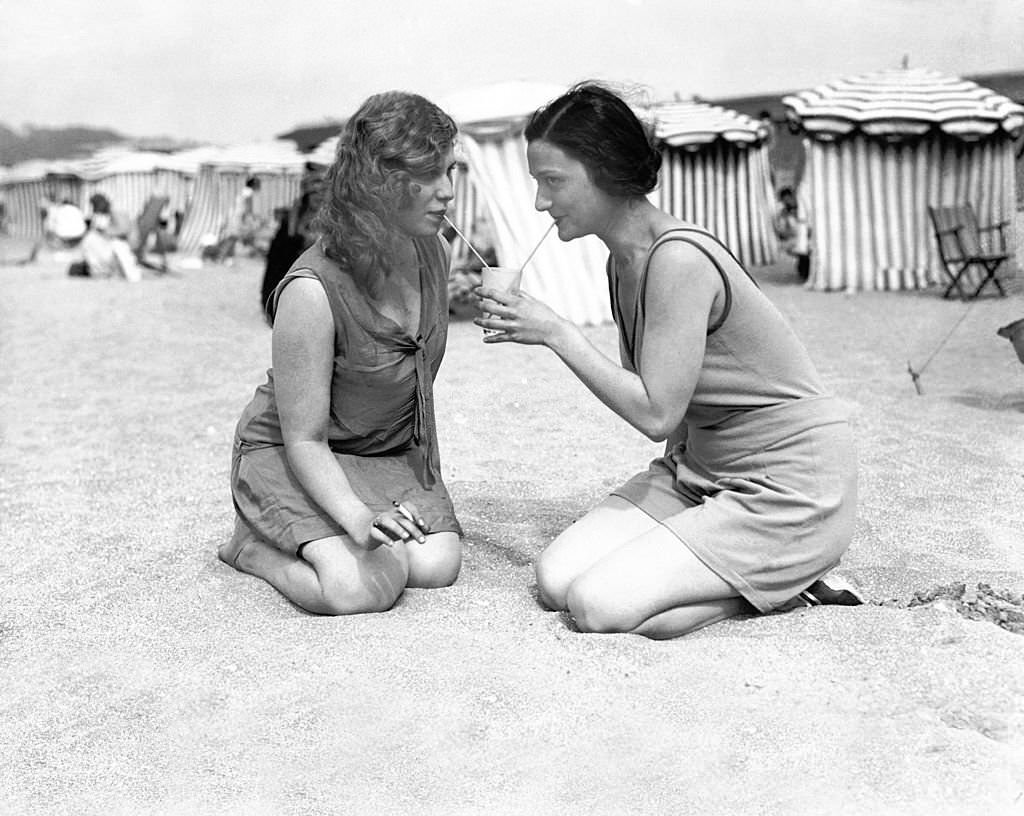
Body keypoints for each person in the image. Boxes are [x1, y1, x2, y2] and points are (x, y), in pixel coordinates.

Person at [475, 83, 860, 639]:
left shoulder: (677, 258)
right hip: (702, 469)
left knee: (597, 606)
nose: (540, 202)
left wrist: (556, 332)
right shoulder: (622, 263)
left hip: (790, 485)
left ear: (606, 170)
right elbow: (674, 419)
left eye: (553, 181)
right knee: (555, 579)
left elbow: (656, 412)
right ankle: (743, 573)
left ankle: (787, 585)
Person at [218, 91, 463, 615]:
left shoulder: (433, 252)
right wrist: (356, 518)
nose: (447, 192)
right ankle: (252, 547)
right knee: (357, 591)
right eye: (429, 175)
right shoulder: (312, 290)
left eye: (451, 171)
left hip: (380, 454)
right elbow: (303, 437)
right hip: (294, 453)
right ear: (378, 182)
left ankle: (320, 535)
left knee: (434, 567)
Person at [259, 161, 328, 323]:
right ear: (307, 195)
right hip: (293, 285)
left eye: (323, 193)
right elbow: (275, 262)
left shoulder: (338, 221)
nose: (319, 197)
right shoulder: (292, 221)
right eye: (314, 193)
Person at [81, 193, 141, 282]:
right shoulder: (110, 213)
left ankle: (102, 270)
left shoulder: (116, 211)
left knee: (90, 239)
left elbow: (124, 230)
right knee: (90, 239)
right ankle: (101, 270)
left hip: (128, 244)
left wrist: (105, 231)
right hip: (120, 242)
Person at [773, 186, 811, 282]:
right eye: (784, 200)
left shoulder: (802, 209)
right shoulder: (784, 213)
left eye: (788, 199)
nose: (787, 202)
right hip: (795, 239)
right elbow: (782, 231)